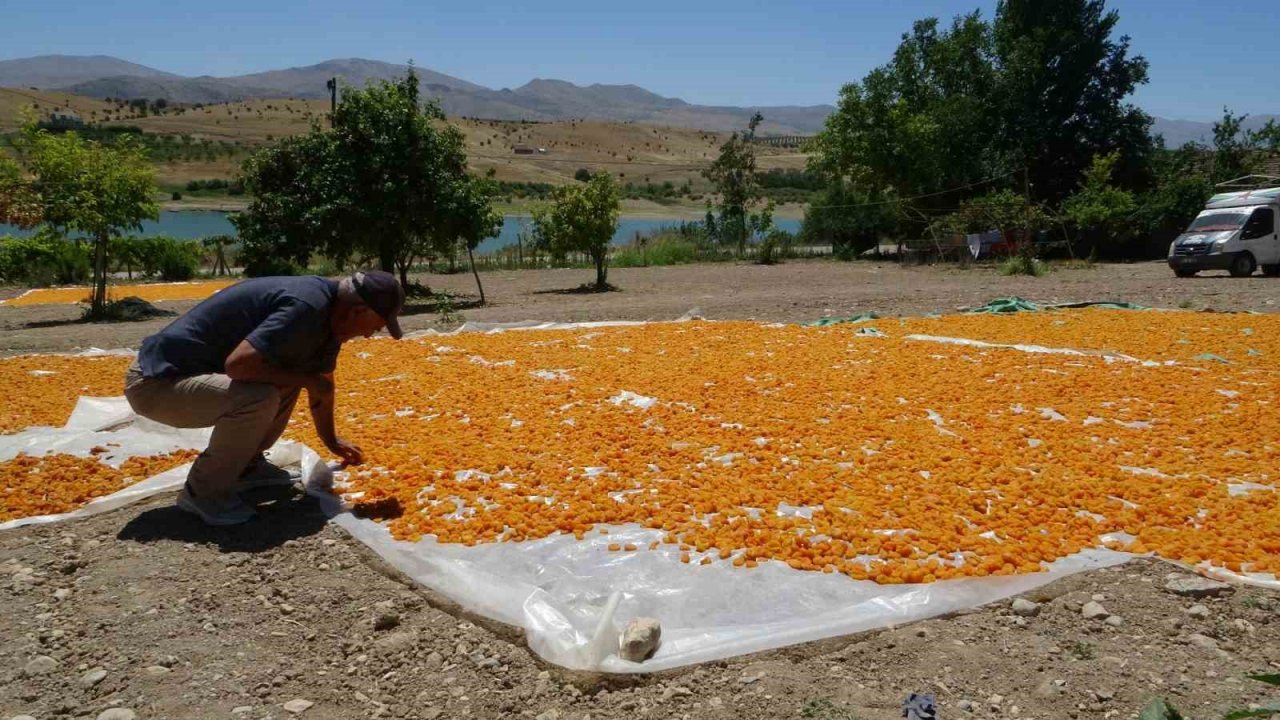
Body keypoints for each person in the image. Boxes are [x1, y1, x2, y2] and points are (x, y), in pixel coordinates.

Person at [124, 271, 405, 526]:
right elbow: (239, 365)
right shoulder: (307, 307)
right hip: (156, 384)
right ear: (357, 310)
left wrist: (331, 441)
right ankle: (203, 492)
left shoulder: (331, 323)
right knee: (259, 396)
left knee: (288, 376)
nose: (369, 335)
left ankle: (246, 466)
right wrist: (307, 380)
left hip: (188, 382)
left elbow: (322, 386)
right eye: (376, 326)